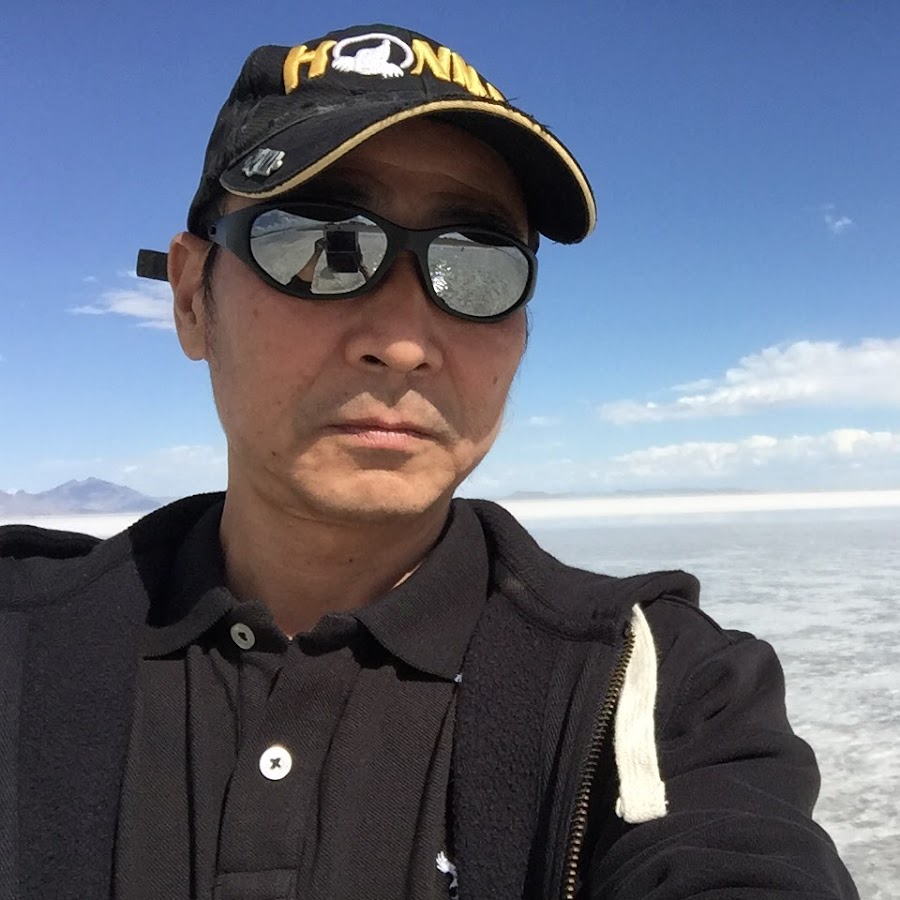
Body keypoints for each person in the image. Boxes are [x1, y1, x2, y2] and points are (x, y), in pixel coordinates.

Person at [0, 23, 859, 900]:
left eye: (477, 266)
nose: (404, 343)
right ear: (192, 299)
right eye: (320, 246)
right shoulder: (24, 636)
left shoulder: (659, 686)